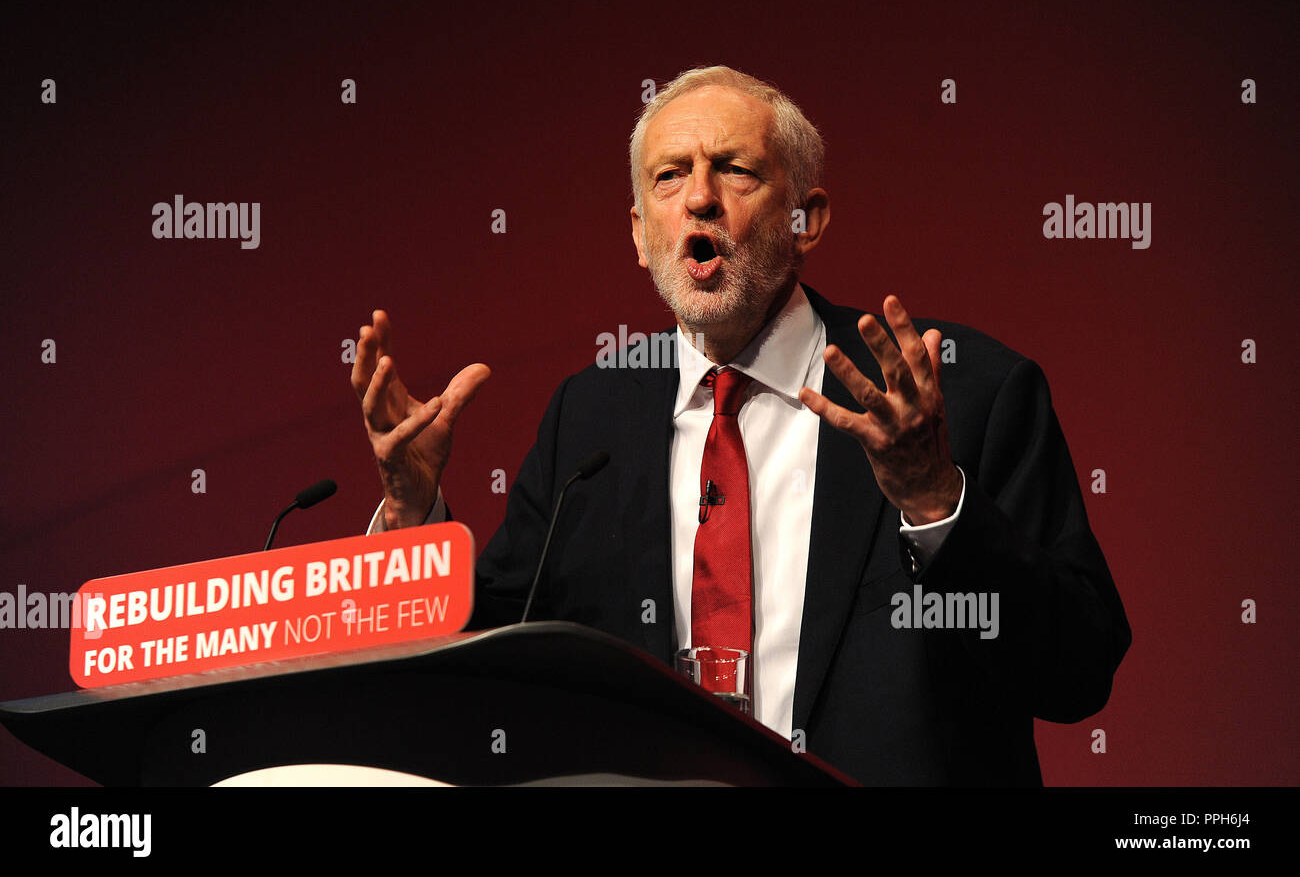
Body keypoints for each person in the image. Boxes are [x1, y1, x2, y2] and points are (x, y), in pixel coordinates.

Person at [350, 66, 1131, 785]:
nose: (698, 197)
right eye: (669, 176)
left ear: (808, 218)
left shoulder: (961, 392)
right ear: (637, 233)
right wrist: (415, 516)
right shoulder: (589, 419)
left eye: (734, 168)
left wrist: (935, 501)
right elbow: (493, 669)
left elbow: (1077, 668)